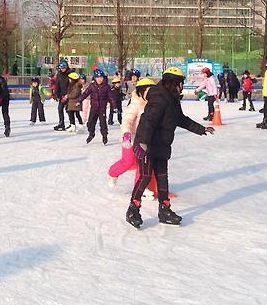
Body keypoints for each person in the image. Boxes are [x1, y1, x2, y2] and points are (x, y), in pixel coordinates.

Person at [125, 67, 214, 228]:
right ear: (175, 83)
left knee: (162, 177)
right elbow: (148, 120)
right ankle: (133, 209)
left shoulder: (172, 100)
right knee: (145, 177)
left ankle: (164, 210)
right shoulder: (159, 98)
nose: (182, 85)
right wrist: (143, 142)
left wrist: (201, 129)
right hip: (147, 144)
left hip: (161, 144)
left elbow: (181, 119)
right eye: (181, 82)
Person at [108, 77, 155, 189]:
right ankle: (112, 173)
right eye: (147, 91)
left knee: (142, 165)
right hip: (130, 139)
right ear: (140, 92)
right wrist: (126, 134)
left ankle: (140, 187)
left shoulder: (153, 105)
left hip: (143, 139)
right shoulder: (135, 104)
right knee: (127, 162)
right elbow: (127, 121)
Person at [77, 69, 116, 144]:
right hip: (94, 108)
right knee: (90, 123)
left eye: (101, 77)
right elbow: (85, 94)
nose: (100, 79)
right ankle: (91, 133)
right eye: (98, 78)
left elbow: (111, 97)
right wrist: (79, 101)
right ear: (95, 78)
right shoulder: (92, 86)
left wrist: (114, 107)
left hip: (102, 108)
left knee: (103, 124)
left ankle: (104, 136)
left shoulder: (106, 87)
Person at [52, 60, 71, 131]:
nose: (63, 69)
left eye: (64, 68)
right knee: (60, 109)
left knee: (69, 110)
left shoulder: (69, 75)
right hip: (61, 95)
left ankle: (72, 123)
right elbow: (57, 85)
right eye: (62, 68)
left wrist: (68, 94)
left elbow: (71, 85)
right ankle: (61, 123)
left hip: (68, 95)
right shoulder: (59, 75)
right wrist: (56, 94)